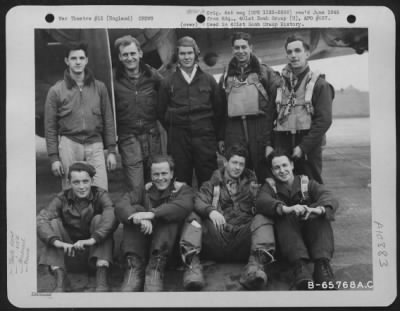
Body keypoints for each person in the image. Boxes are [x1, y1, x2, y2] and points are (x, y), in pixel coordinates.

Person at [180, 144, 275, 291]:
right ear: (226, 162)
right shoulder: (211, 184)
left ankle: (255, 268)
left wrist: (263, 190)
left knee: (263, 218)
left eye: (241, 164)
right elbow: (198, 201)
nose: (237, 167)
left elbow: (264, 203)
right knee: (193, 218)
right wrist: (211, 211)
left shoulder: (253, 185)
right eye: (234, 163)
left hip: (242, 240)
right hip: (217, 237)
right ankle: (193, 268)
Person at [256, 151, 338, 290]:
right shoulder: (270, 187)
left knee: (320, 212)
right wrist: (286, 209)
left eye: (284, 165)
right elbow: (261, 201)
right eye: (277, 168)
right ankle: (300, 268)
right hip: (289, 243)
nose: (282, 170)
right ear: (272, 171)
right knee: (283, 215)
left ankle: (322, 265)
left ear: (292, 165)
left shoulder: (306, 183)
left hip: (312, 237)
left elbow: (329, 196)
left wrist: (318, 210)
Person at [115, 154, 194, 292]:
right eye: (156, 174)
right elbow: (121, 205)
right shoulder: (144, 190)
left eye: (164, 173)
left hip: (167, 252)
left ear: (172, 174)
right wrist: (137, 217)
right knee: (135, 210)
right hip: (143, 247)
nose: (160, 178)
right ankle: (134, 269)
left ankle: (155, 271)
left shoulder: (182, 189)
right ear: (151, 175)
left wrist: (152, 214)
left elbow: (185, 205)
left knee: (169, 214)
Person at [44, 42, 117, 191]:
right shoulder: (55, 91)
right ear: (67, 61)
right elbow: (50, 127)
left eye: (81, 58)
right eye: (73, 58)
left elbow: (109, 120)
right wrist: (54, 158)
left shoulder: (100, 88)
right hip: (69, 143)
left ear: (86, 60)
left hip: (95, 143)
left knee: (100, 189)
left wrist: (111, 151)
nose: (78, 62)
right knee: (71, 190)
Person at [37, 162, 119, 292]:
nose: (81, 187)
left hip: (94, 255)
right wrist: (59, 243)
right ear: (69, 183)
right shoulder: (61, 198)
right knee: (53, 223)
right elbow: (42, 220)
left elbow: (112, 215)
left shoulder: (100, 195)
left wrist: (92, 240)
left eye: (85, 181)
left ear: (92, 181)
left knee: (100, 219)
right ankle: (61, 280)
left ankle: (101, 280)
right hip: (68, 255)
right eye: (76, 182)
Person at [158, 36, 224, 187]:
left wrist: (213, 133)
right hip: (179, 140)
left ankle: (209, 209)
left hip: (204, 138)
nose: (186, 57)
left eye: (189, 53)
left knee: (208, 181)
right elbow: (161, 112)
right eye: (182, 54)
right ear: (177, 55)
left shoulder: (208, 80)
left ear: (195, 54)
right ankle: (183, 209)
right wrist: (176, 127)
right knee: (180, 181)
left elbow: (219, 110)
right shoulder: (168, 82)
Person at [219, 31, 280, 183]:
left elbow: (277, 100)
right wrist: (221, 137)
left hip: (259, 128)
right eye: (236, 48)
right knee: (238, 171)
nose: (240, 51)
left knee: (263, 170)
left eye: (243, 47)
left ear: (251, 47)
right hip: (234, 129)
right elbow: (220, 109)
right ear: (232, 50)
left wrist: (271, 138)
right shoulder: (225, 76)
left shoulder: (265, 72)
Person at [273, 34, 334, 184]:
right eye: (289, 52)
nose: (293, 55)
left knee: (311, 184)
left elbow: (324, 121)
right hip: (284, 143)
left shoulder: (319, 85)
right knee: (285, 186)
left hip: (308, 144)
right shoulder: (281, 85)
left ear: (307, 53)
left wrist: (303, 147)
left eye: (297, 51)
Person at [113, 35, 164, 196]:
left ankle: (157, 217)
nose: (130, 58)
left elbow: (168, 93)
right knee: (136, 187)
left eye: (133, 53)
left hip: (152, 135)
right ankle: (138, 217)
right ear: (120, 57)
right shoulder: (113, 79)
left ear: (140, 53)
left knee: (156, 182)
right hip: (128, 137)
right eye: (125, 55)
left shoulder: (152, 75)